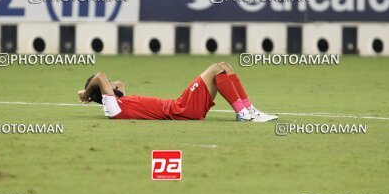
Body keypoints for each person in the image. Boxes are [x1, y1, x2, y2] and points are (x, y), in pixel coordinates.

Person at [77, 62, 278, 122]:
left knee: (224, 67)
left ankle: (249, 109)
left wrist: (98, 90)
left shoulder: (119, 102)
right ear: (102, 94)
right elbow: (101, 76)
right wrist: (86, 93)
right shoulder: (112, 109)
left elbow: (117, 83)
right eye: (109, 85)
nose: (113, 84)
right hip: (181, 109)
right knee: (216, 69)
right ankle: (243, 114)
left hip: (182, 108)